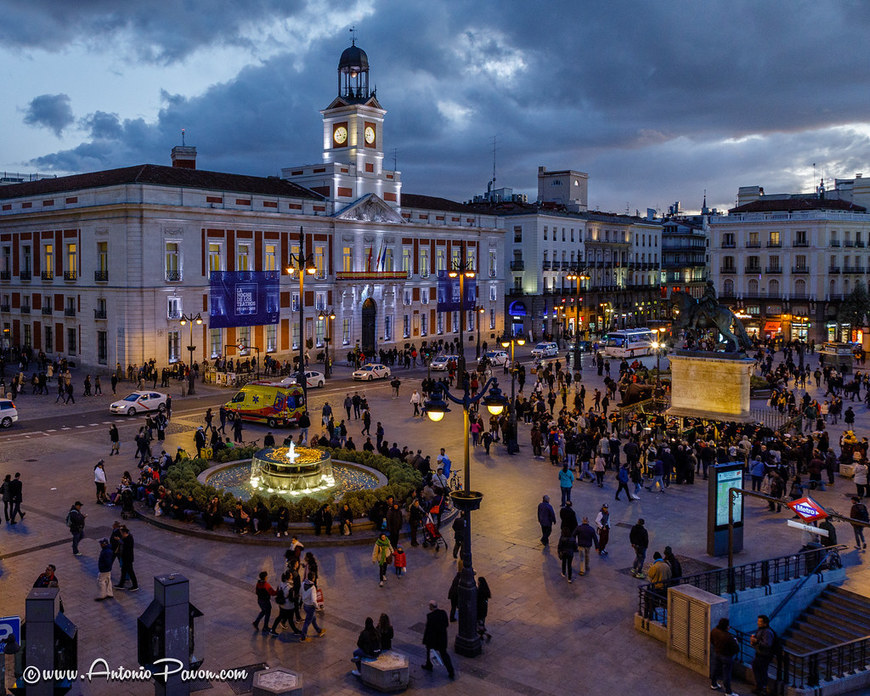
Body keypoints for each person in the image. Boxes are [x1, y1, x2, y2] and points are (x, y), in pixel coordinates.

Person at [422, 600, 455, 679]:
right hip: (442, 639)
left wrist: (426, 640)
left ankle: (429, 665)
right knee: (444, 655)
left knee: (429, 652)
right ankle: (451, 671)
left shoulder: (430, 616)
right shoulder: (443, 613)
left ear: (431, 607)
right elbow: (446, 624)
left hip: (433, 639)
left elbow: (428, 630)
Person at [710, 617, 739, 696]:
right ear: (726, 626)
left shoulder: (714, 631)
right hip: (726, 656)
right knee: (726, 674)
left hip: (716, 653)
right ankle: (728, 691)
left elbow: (712, 640)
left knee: (715, 669)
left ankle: (714, 684)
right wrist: (736, 642)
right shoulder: (728, 636)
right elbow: (736, 649)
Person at [750, 614, 776, 695]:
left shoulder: (767, 632)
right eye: (758, 621)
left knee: (761, 671)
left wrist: (756, 641)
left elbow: (767, 644)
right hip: (760, 654)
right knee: (758, 669)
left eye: (760, 622)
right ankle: (760, 687)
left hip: (764, 655)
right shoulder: (761, 629)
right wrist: (754, 641)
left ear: (765, 623)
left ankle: (761, 688)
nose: (758, 623)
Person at [269, 571, 301, 636]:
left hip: (282, 605)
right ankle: (295, 631)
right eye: (291, 575)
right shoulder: (290, 587)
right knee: (290, 619)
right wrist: (297, 597)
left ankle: (273, 629)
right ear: (289, 577)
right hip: (289, 606)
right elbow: (291, 599)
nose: (292, 576)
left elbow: (278, 591)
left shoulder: (281, 583)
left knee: (280, 617)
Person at [299, 573, 325, 642]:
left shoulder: (303, 583)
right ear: (313, 578)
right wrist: (317, 607)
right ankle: (303, 637)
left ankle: (319, 630)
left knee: (313, 618)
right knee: (307, 622)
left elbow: (300, 592)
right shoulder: (312, 588)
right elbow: (314, 600)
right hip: (310, 607)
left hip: (305, 605)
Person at [114, 526, 139, 591]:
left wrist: (119, 540)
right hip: (125, 558)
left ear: (124, 532)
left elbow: (126, 547)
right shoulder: (126, 538)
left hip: (128, 559)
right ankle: (121, 584)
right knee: (124, 571)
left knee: (130, 572)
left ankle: (135, 585)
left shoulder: (128, 538)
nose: (121, 534)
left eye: (121, 532)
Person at [477, 576, 492, 642]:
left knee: (479, 623)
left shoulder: (480, 590)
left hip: (480, 609)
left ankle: (485, 635)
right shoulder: (486, 589)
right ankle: (482, 635)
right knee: (482, 622)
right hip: (484, 609)